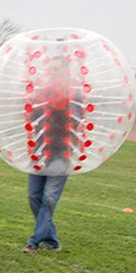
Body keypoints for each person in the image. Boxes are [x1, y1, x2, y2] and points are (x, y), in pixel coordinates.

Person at [21, 53, 82, 254]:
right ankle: (51, 240)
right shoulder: (41, 94)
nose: (53, 72)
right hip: (39, 153)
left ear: (65, 71)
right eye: (51, 68)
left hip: (60, 154)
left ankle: (34, 242)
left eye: (57, 69)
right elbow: (32, 118)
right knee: (34, 196)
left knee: (48, 197)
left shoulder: (74, 95)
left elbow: (77, 122)